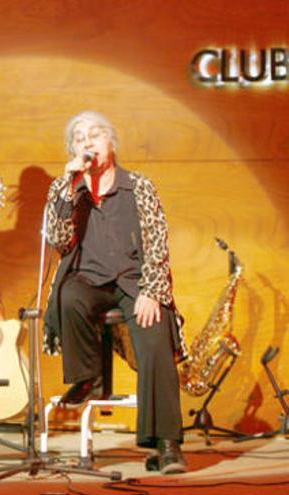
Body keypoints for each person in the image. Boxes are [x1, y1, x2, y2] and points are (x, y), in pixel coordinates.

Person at [43, 111, 188, 474]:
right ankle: (88, 377)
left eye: (95, 134)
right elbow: (58, 240)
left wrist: (152, 291)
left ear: (111, 142)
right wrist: (67, 183)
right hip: (89, 278)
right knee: (68, 295)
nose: (88, 142)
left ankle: (166, 444)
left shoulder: (138, 186)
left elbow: (157, 244)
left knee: (156, 337)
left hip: (134, 281)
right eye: (79, 138)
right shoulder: (67, 188)